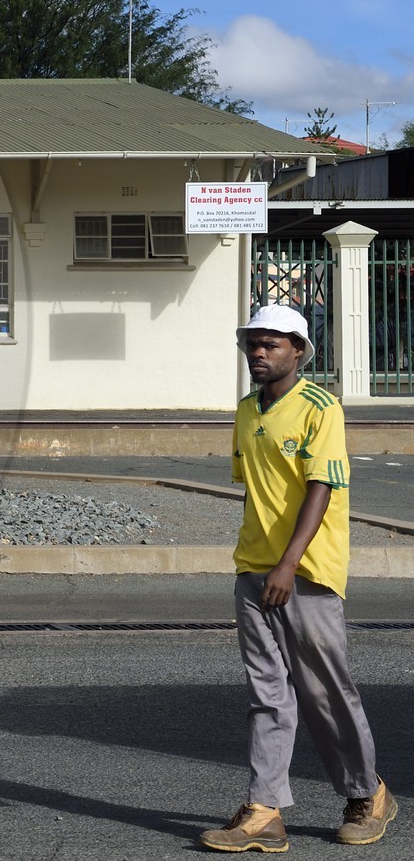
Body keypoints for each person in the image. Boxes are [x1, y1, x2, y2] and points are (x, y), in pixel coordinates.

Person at [200, 304, 397, 852]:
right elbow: (256, 488)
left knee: (323, 689)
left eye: (272, 344)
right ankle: (265, 811)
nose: (259, 354)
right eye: (252, 344)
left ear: (299, 351)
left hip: (306, 570)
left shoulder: (320, 407)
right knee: (266, 694)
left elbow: (320, 486)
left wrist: (287, 563)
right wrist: (258, 562)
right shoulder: (245, 410)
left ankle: (367, 794)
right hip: (253, 569)